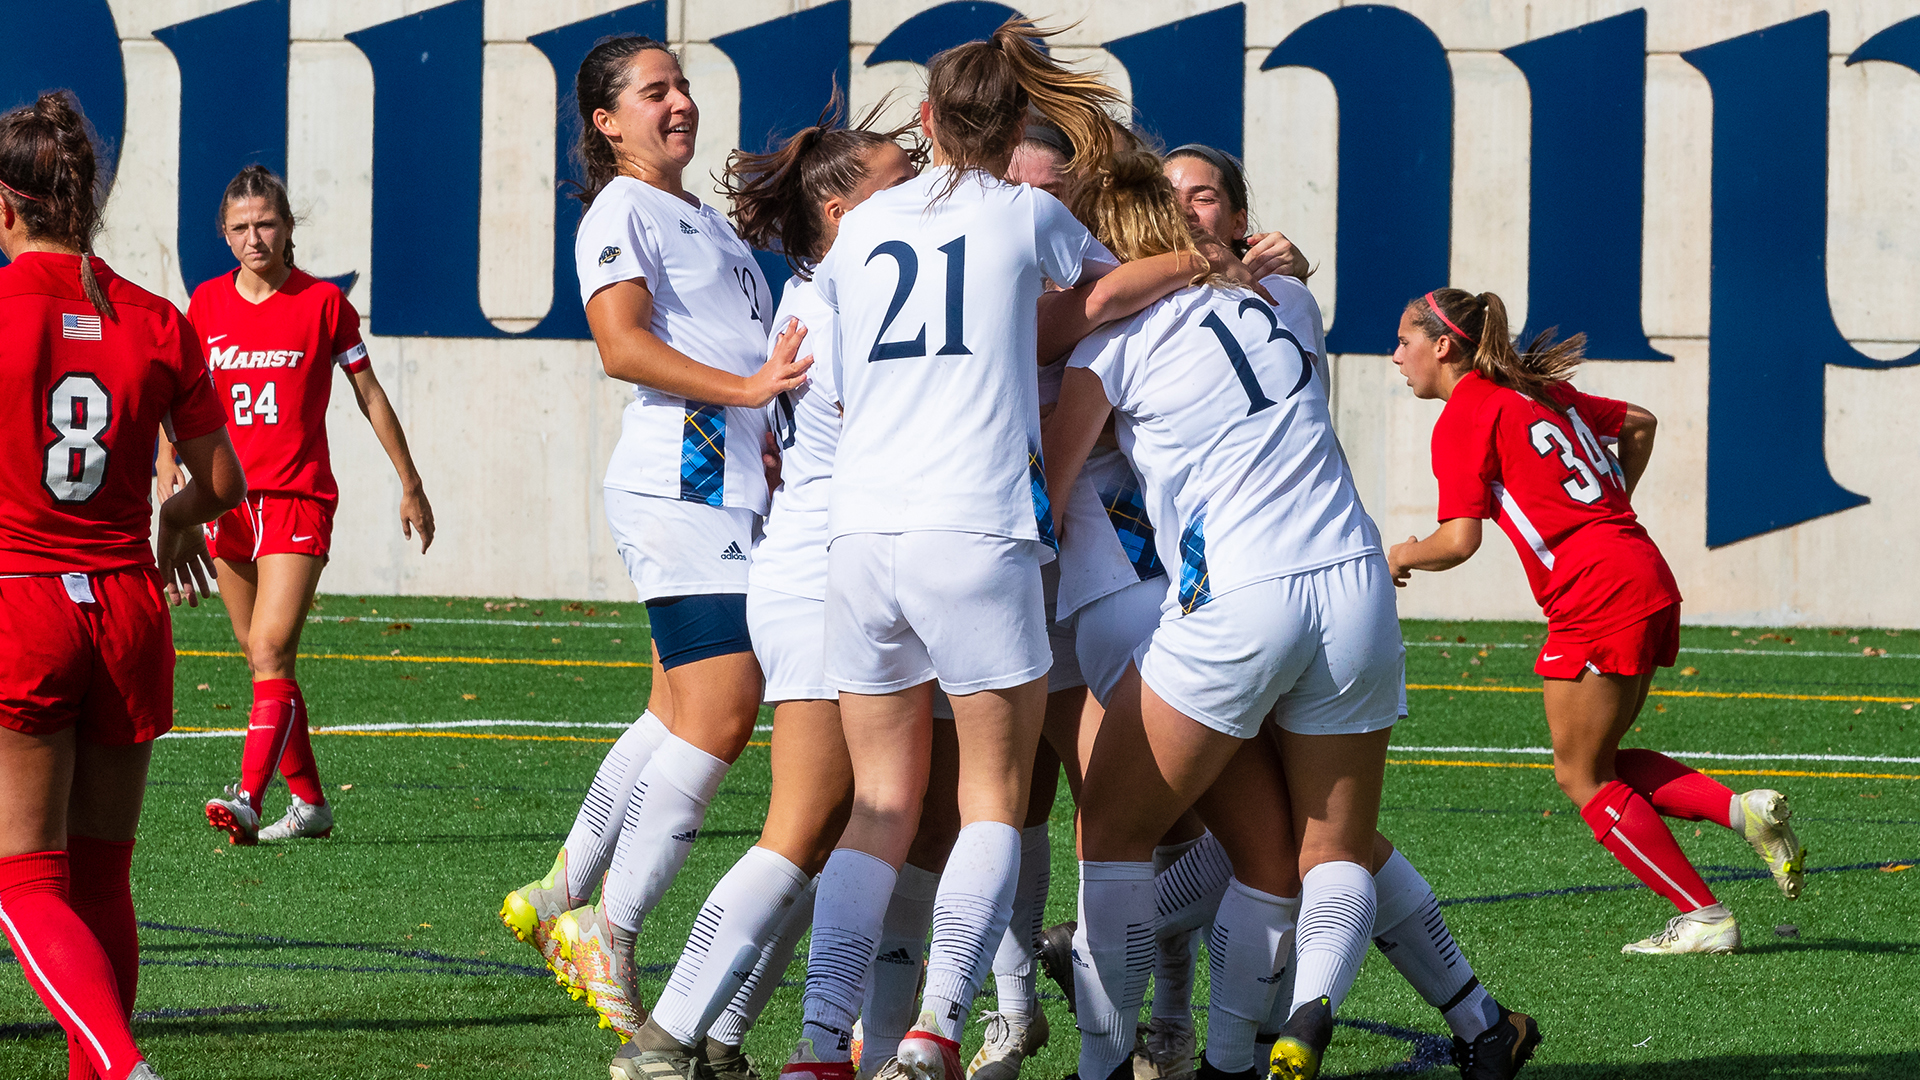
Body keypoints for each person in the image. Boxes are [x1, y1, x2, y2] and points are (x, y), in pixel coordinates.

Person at [784, 19, 1125, 1080]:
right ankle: (938, 1023)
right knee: (993, 796)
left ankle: (814, 1044)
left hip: (860, 531)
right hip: (974, 527)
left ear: (926, 124)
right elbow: (1103, 300)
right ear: (1017, 123)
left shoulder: (865, 221)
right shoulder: (1028, 212)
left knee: (878, 807)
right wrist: (1187, 262)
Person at [1044, 147, 1403, 1080]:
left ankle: (1097, 1061)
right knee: (1327, 851)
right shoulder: (1286, 301)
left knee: (1115, 837)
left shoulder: (1110, 343)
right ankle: (1297, 1014)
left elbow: (1039, 482)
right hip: (1357, 581)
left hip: (1232, 593)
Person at [604, 97, 925, 1080]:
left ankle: (726, 1036)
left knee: (835, 832)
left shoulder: (815, 294)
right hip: (827, 579)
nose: (917, 206)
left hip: (809, 569)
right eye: (897, 189)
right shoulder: (846, 304)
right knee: (813, 827)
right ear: (840, 215)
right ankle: (671, 1034)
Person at [505, 34, 813, 1042]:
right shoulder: (622, 208)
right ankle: (608, 926)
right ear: (608, 121)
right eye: (654, 90)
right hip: (681, 480)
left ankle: (564, 891)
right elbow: (621, 345)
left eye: (681, 84)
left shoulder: (694, 216)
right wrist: (750, 394)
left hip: (723, 485)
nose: (678, 101)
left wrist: (760, 430)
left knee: (677, 709)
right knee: (724, 710)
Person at [1386, 289, 1806, 955]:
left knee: (1580, 775)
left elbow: (1458, 539)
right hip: (1641, 570)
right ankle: (1741, 812)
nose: (1395, 356)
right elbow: (1639, 422)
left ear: (1442, 346)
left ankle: (1703, 916)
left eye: (1404, 341)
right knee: (1596, 759)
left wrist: (1399, 555)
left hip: (1595, 591)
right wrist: (1608, 510)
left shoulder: (1468, 410)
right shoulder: (1535, 391)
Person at [0, 91, 245, 1080]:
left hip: (23, 598)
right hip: (129, 605)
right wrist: (175, 521)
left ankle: (118, 1063)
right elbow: (220, 481)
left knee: (23, 880)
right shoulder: (155, 318)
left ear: (8, 205)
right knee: (100, 874)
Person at [167, 165, 433, 846]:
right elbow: (179, 404)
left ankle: (248, 797)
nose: (255, 237)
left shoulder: (322, 304)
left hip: (296, 498)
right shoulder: (204, 305)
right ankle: (310, 804)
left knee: (270, 646)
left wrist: (410, 481)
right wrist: (172, 473)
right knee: (262, 661)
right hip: (227, 503)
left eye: (267, 223)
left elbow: (368, 393)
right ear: (224, 237)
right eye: (241, 227)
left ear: (288, 229)